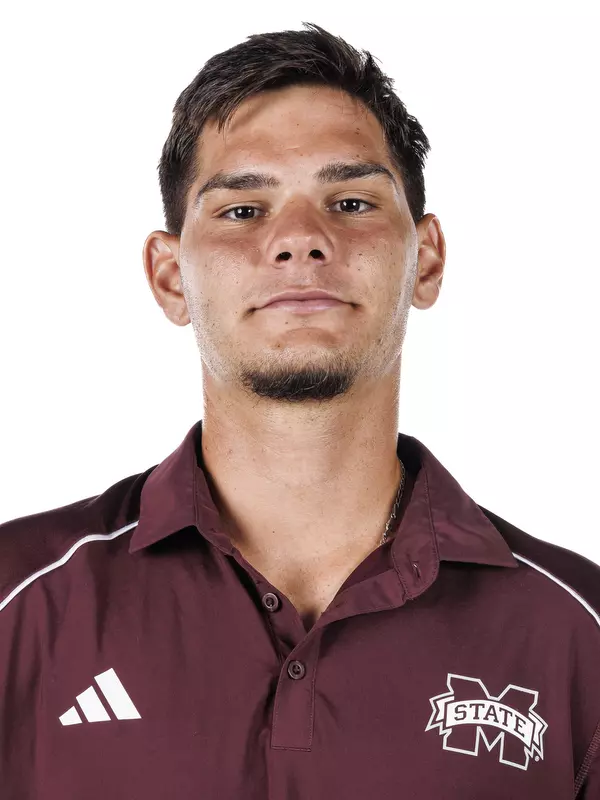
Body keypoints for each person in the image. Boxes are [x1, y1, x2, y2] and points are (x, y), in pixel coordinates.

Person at [0, 21, 598, 800]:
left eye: (350, 201)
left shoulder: (575, 635)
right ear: (169, 276)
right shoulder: (20, 604)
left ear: (427, 259)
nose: (300, 240)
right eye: (243, 210)